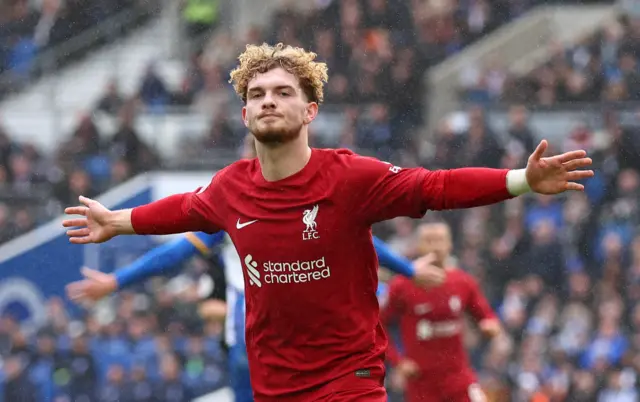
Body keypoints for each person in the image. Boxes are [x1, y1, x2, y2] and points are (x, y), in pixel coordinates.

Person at [63, 43, 593, 401]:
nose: (268, 100)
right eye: (256, 95)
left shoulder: (350, 177)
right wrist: (118, 221)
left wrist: (520, 180)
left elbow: (436, 186)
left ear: (311, 109)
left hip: (349, 380)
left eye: (283, 92)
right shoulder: (230, 187)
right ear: (245, 115)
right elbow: (180, 211)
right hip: (271, 384)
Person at [381, 221, 500, 402]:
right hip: (421, 382)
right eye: (429, 241)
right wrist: (397, 361)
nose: (435, 246)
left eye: (440, 240)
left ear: (450, 244)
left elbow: (486, 316)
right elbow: (379, 325)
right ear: (419, 245)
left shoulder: (463, 282)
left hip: (458, 377)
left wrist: (490, 326)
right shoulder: (402, 285)